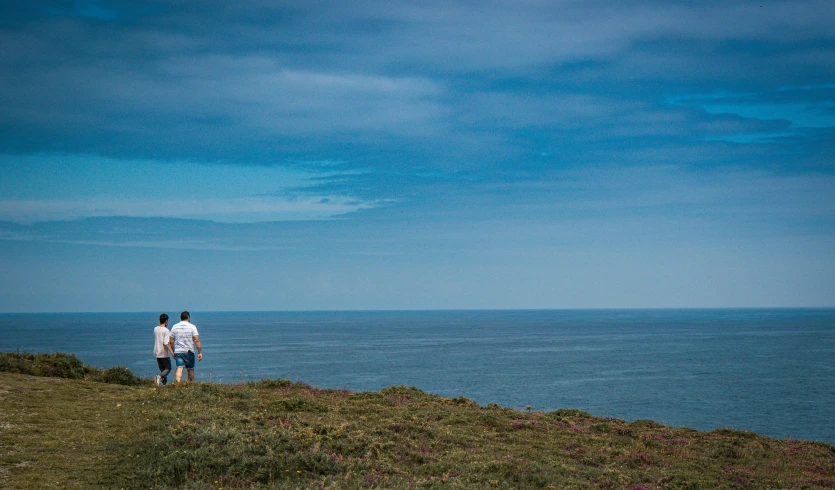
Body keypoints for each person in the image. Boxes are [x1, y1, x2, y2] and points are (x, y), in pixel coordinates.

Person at [170, 311, 203, 382]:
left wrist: (173, 351)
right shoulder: (192, 327)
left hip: (178, 351)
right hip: (189, 351)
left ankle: (177, 384)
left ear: (180, 318)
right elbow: (196, 340)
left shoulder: (174, 327)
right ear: (188, 317)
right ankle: (190, 385)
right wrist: (200, 352)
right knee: (190, 369)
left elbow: (171, 341)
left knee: (179, 368)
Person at [153, 313, 175, 386]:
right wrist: (172, 352)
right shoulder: (166, 330)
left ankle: (163, 384)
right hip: (163, 353)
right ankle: (158, 377)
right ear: (166, 321)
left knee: (162, 369)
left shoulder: (155, 329)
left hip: (157, 352)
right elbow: (166, 343)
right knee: (168, 368)